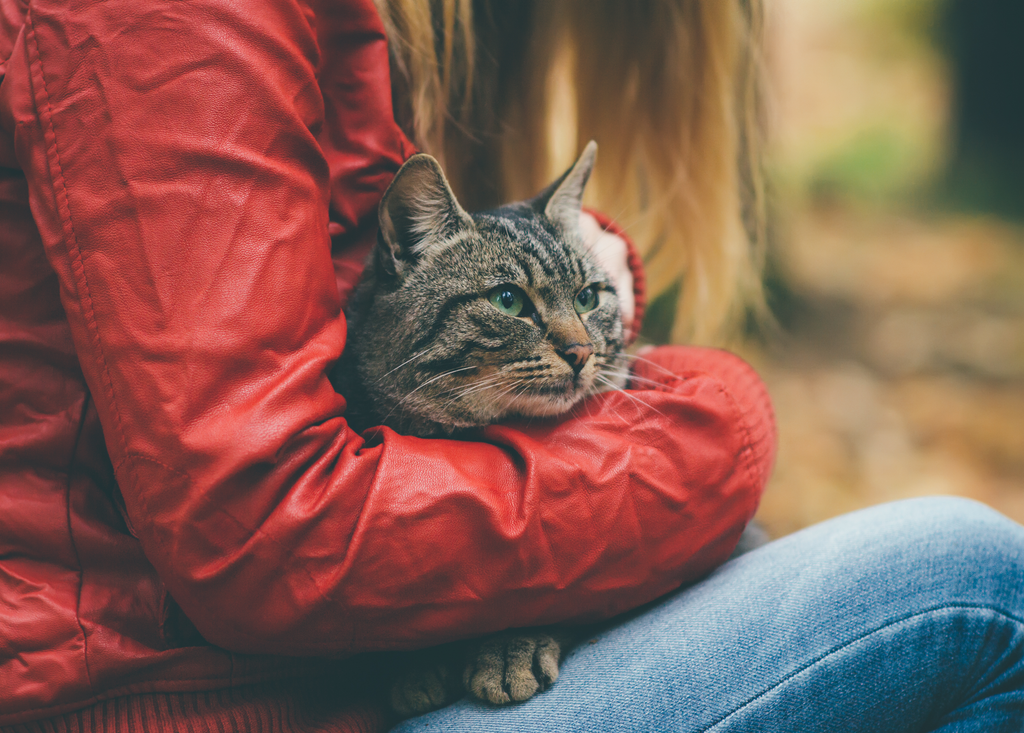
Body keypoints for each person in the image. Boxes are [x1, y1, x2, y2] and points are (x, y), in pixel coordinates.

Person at [0, 2, 1021, 733]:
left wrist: (583, 276)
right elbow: (266, 523)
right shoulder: (165, 21)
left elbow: (356, 264)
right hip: (214, 704)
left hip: (279, 682)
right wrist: (723, 429)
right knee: (975, 591)